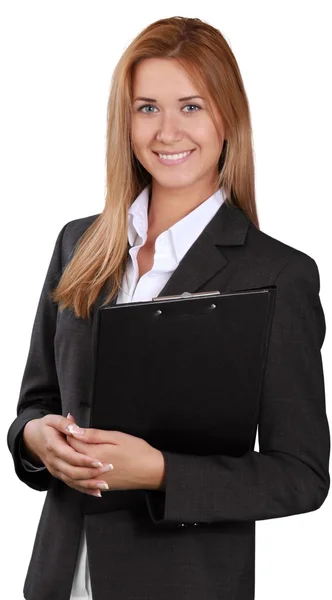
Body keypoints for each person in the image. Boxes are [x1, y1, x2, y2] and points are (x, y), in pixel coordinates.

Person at [7, 15, 330, 600]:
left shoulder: (279, 274)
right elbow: (37, 403)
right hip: (58, 578)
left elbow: (301, 475)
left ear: (227, 117)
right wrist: (35, 440)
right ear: (123, 121)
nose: (166, 131)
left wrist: (160, 472)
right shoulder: (78, 244)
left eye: (191, 106)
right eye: (146, 107)